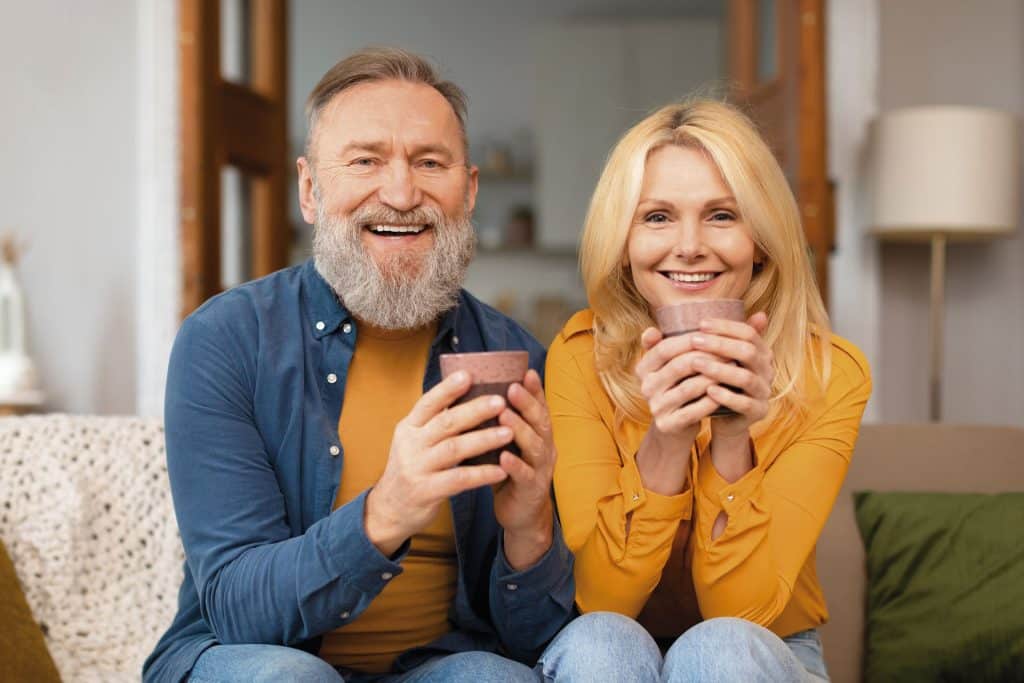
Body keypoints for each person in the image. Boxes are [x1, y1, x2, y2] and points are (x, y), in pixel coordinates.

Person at [143, 47, 574, 683]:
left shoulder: (520, 358)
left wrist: (530, 530)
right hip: (253, 662)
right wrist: (388, 511)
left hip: (440, 664)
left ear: (470, 190)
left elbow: (532, 639)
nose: (401, 193)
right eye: (366, 161)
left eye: (430, 162)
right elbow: (237, 608)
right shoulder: (226, 341)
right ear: (310, 190)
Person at [539, 99, 871, 681]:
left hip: (763, 649)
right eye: (657, 217)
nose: (689, 245)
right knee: (599, 641)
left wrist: (733, 438)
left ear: (762, 238)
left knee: (716, 647)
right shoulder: (578, 357)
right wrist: (667, 441)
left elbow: (739, 613)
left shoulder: (830, 375)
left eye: (721, 215)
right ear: (622, 241)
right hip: (616, 643)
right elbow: (602, 598)